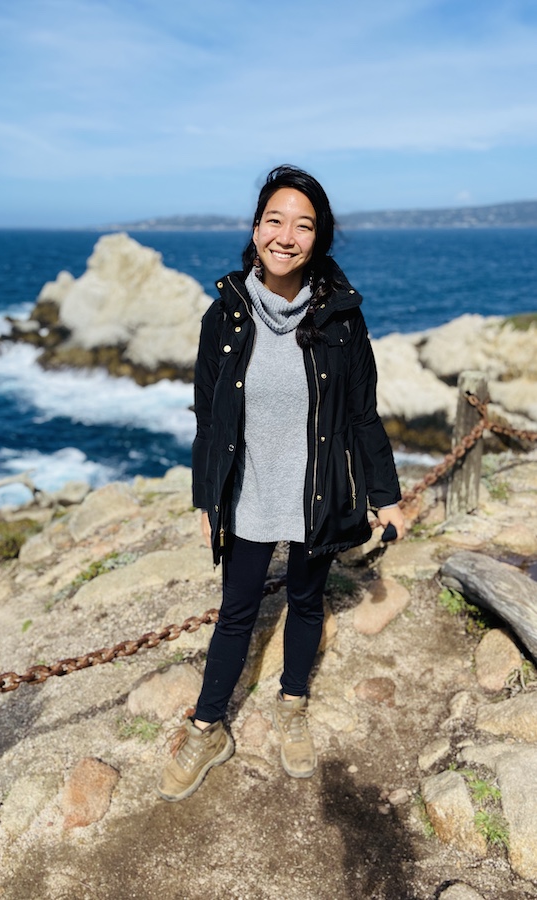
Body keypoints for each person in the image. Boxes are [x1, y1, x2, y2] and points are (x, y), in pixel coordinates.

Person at [157, 165, 405, 802]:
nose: (286, 236)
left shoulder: (343, 318)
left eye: (303, 225)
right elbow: (208, 418)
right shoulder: (224, 316)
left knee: (305, 601)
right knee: (236, 613)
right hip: (247, 493)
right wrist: (207, 499)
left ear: (318, 240)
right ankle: (208, 728)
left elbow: (363, 414)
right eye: (275, 220)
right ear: (255, 229)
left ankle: (292, 703)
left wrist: (385, 496)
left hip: (317, 491)